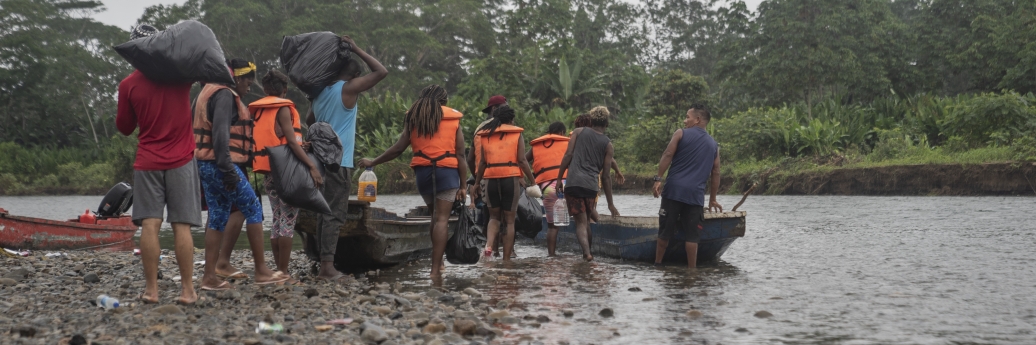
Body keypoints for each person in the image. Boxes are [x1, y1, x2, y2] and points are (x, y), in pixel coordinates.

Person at [116, 24, 200, 305]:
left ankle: (152, 291)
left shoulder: (128, 85)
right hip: (181, 160)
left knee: (149, 225)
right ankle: (187, 291)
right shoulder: (180, 77)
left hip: (147, 162)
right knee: (181, 226)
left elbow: (125, 128)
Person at [195, 59, 287, 290]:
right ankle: (261, 270)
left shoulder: (205, 92)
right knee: (254, 208)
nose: (248, 86)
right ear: (236, 78)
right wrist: (228, 170)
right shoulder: (225, 95)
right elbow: (220, 136)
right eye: (247, 81)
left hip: (204, 164)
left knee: (218, 215)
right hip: (221, 164)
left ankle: (209, 276)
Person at [358, 85, 467, 279]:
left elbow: (398, 148)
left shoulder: (414, 116)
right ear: (443, 101)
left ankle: (438, 263)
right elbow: (460, 154)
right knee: (442, 219)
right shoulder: (453, 120)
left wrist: (373, 162)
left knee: (434, 215)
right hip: (447, 172)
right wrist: (464, 185)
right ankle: (436, 269)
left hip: (423, 172)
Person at [306, 35, 388, 281]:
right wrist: (356, 48)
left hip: (320, 160)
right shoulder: (348, 88)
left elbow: (310, 121)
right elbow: (381, 71)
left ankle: (323, 262)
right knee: (334, 213)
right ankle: (327, 268)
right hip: (339, 161)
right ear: (353, 77)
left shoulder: (320, 93)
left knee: (323, 211)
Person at [249, 70, 323, 278]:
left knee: (277, 219)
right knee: (288, 220)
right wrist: (311, 166)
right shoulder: (282, 107)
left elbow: (282, 137)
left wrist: (301, 144)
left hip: (269, 172)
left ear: (264, 89)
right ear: (285, 89)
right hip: (286, 173)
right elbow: (290, 141)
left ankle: (279, 270)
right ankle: (282, 271)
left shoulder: (260, 110)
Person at [652, 105, 722, 268]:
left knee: (664, 232)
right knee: (692, 237)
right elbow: (716, 172)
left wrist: (658, 179)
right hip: (695, 196)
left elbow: (668, 154)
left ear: (697, 120)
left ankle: (658, 264)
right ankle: (692, 271)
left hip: (673, 192)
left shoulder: (680, 133)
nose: (684, 120)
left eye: (687, 117)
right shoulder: (714, 145)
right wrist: (712, 199)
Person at [556, 106, 620, 261]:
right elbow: (605, 176)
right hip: (592, 186)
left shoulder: (578, 132)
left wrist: (559, 178)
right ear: (607, 124)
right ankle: (589, 252)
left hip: (574, 183)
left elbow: (568, 155)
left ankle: (587, 253)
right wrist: (610, 203)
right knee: (587, 223)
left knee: (580, 222)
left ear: (591, 121)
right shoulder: (608, 144)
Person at [473, 105, 536, 261]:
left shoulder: (486, 135)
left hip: (491, 179)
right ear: (511, 119)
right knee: (509, 220)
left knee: (494, 217)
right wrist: (532, 181)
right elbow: (522, 160)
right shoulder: (516, 134)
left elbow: (482, 163)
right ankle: (506, 261)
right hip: (510, 178)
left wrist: (476, 183)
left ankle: (489, 247)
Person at [525, 122, 569, 256]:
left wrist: (531, 177)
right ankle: (586, 254)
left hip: (547, 188)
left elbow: (523, 160)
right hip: (567, 185)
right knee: (581, 220)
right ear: (562, 133)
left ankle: (551, 255)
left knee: (552, 226)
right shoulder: (567, 143)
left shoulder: (536, 147)